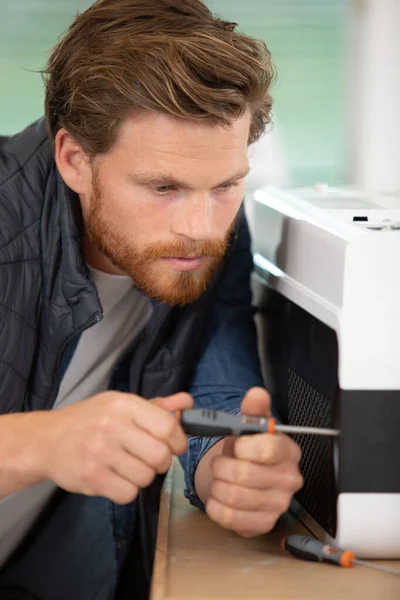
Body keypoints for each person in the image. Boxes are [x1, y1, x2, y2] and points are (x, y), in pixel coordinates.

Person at [0, 1, 303, 598]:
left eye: (225, 186)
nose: (199, 225)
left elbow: (219, 392)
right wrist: (41, 442)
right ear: (75, 160)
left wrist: (230, 474)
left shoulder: (213, 237)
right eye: (163, 187)